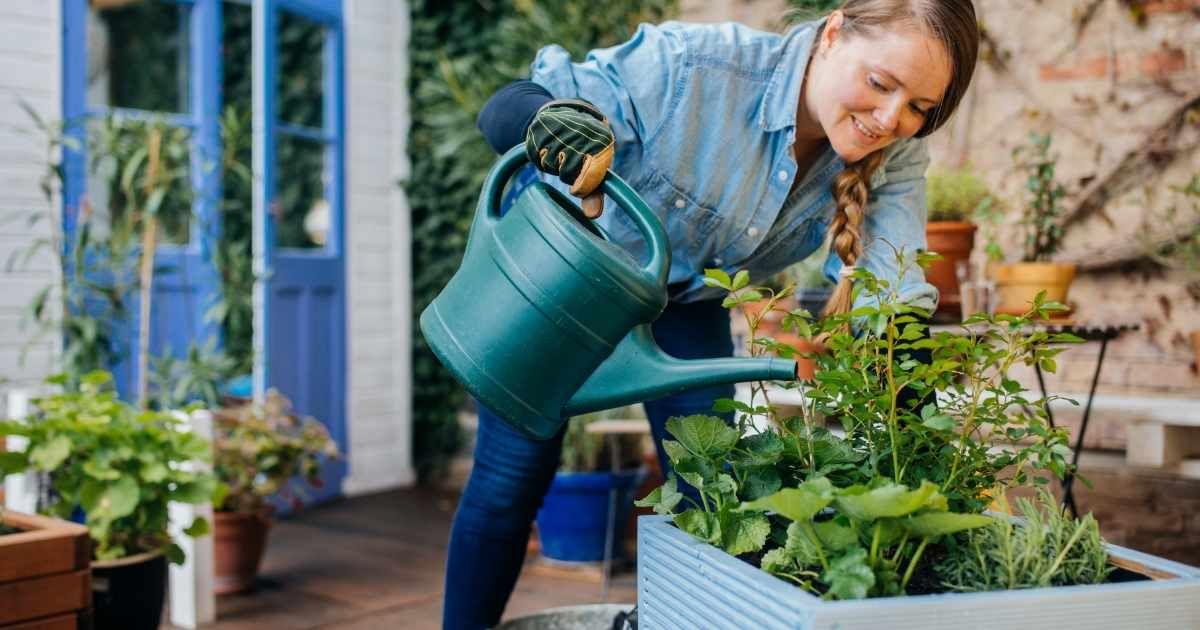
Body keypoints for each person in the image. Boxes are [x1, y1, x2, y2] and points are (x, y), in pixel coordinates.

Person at [443, 1, 980, 627]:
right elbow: (506, 107)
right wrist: (555, 128)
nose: (891, 118)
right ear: (833, 33)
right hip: (566, 287)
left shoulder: (896, 155)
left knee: (713, 496)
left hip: (685, 302)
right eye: (881, 84)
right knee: (509, 485)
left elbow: (893, 291)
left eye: (920, 108)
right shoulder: (697, 68)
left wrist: (913, 423)